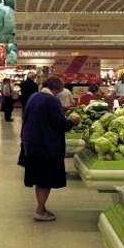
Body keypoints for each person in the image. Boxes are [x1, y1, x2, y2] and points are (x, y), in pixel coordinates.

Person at [19, 76, 81, 222]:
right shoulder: (51, 100)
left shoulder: (34, 97)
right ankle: (39, 211)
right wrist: (73, 121)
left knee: (39, 179)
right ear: (56, 89)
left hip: (32, 144)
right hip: (46, 146)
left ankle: (41, 206)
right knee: (45, 180)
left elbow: (27, 118)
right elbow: (61, 124)